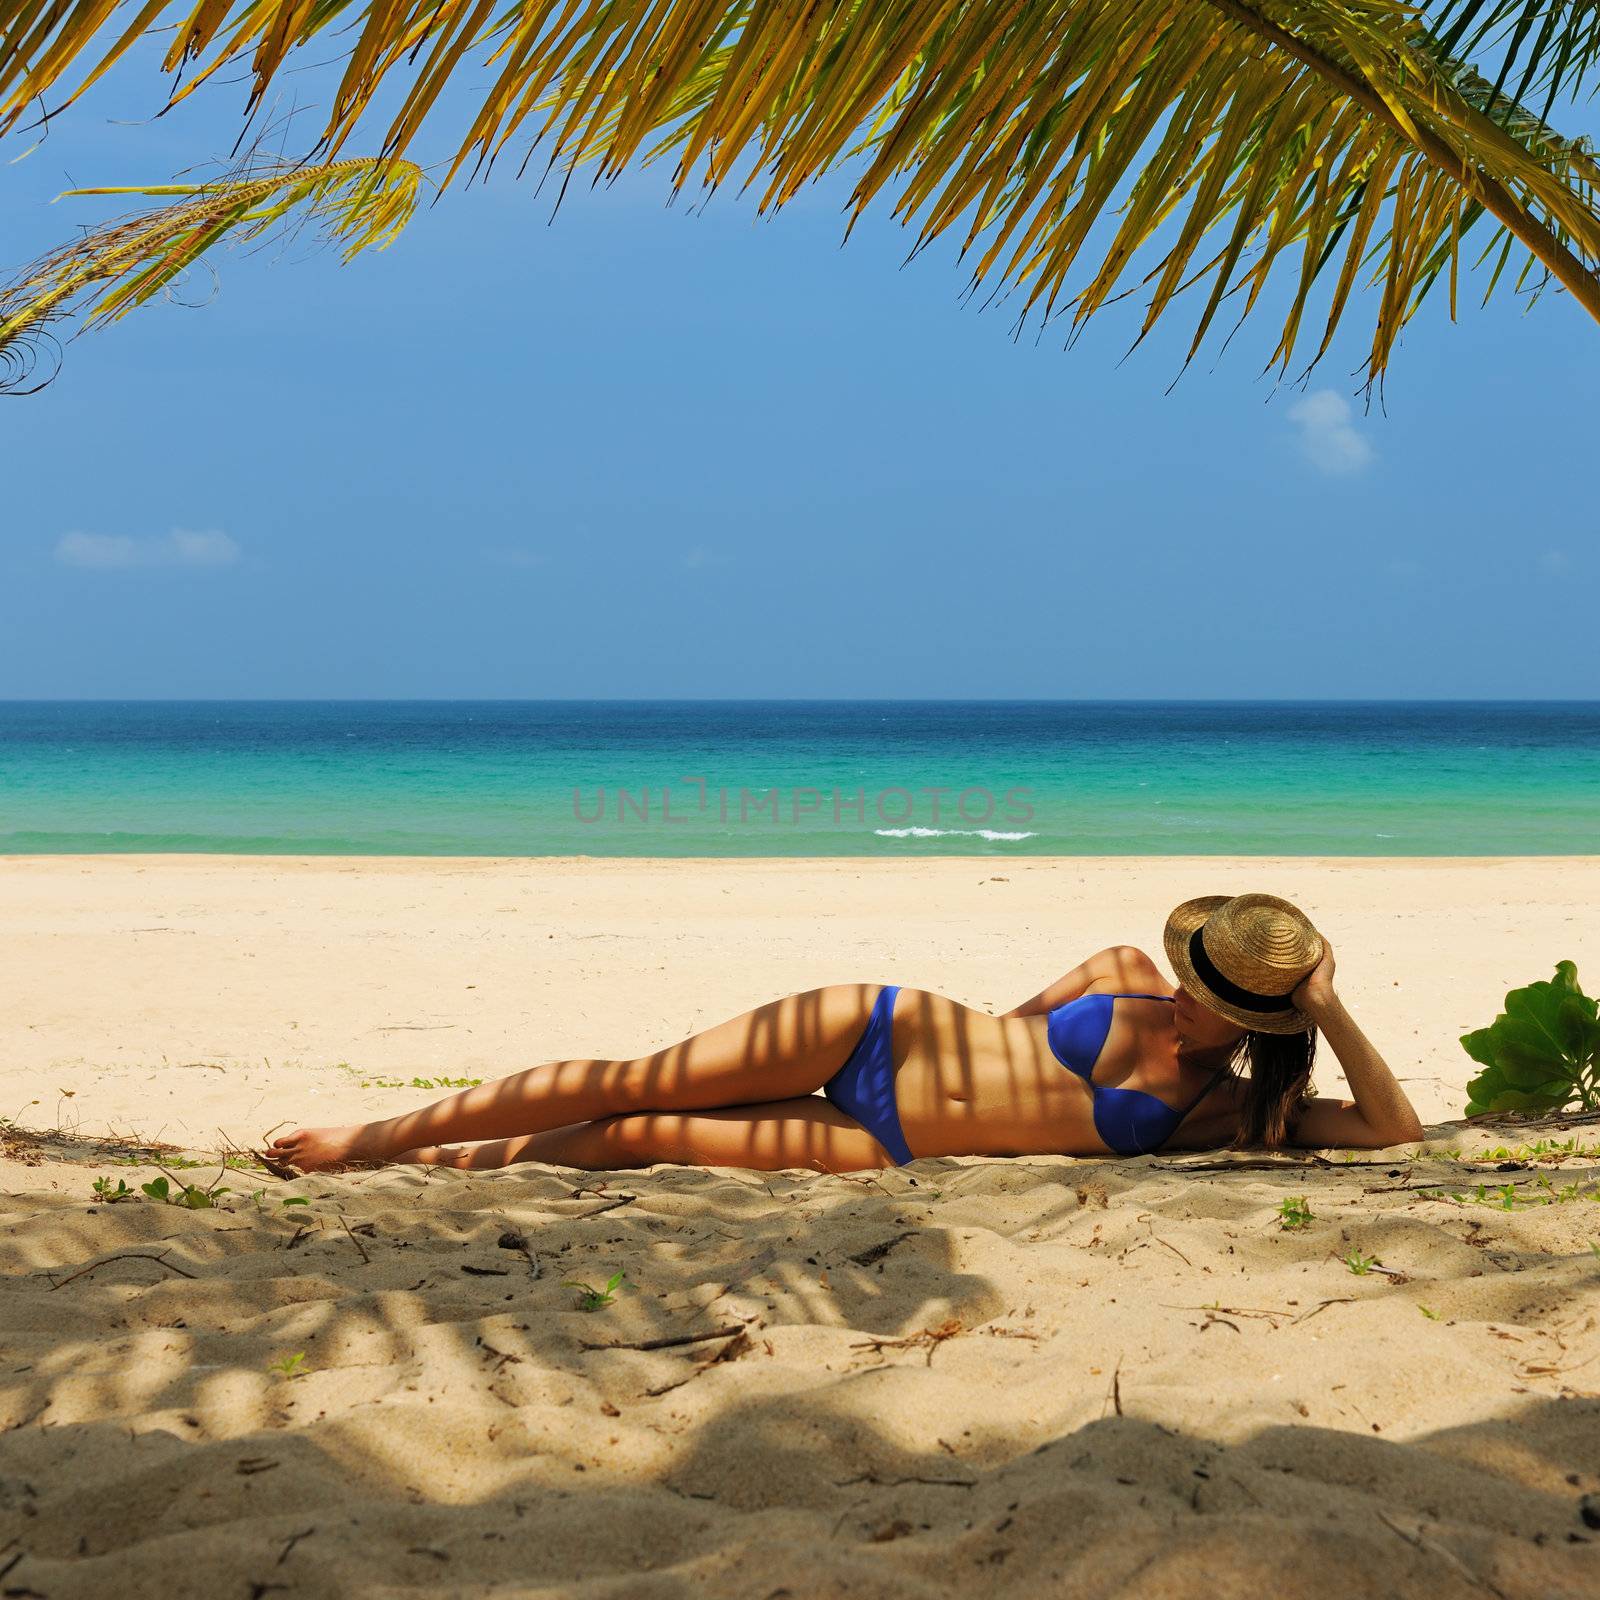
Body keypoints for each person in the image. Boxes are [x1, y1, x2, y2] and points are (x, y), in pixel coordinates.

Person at [267, 892, 1423, 1174]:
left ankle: (439, 1159)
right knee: (632, 1077)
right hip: (878, 1036)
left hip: (886, 1152)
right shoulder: (1123, 973)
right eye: (1187, 975)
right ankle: (371, 1138)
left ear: (1251, 1018)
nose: (1177, 993)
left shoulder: (1239, 1113)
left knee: (629, 1137)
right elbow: (1001, 1027)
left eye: (1205, 995)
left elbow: (1393, 1130)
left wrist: (1327, 1007)